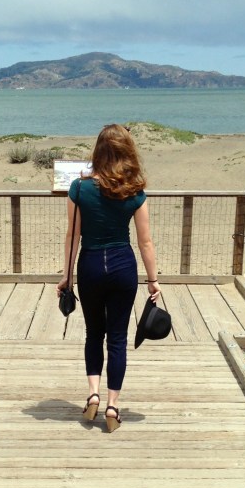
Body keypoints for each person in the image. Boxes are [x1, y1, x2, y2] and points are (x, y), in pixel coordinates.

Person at [56, 123, 160, 432]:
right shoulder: (134, 191)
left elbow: (73, 236)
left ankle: (93, 394)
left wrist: (66, 277)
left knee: (93, 333)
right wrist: (153, 280)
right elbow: (145, 242)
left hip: (90, 264)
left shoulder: (79, 188)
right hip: (122, 265)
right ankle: (113, 406)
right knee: (117, 338)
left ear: (98, 151)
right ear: (127, 152)